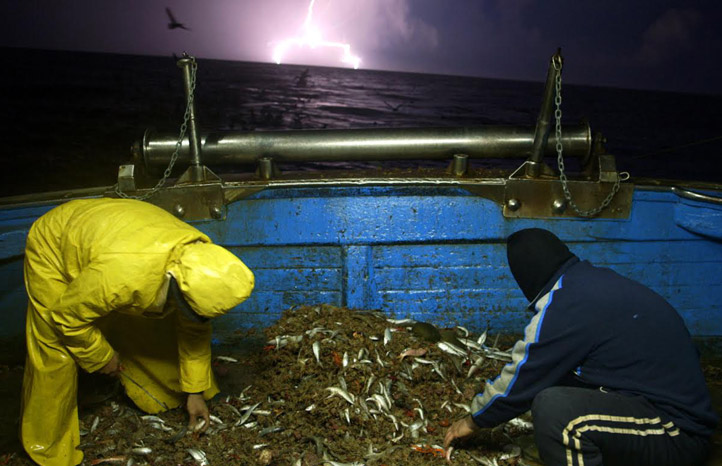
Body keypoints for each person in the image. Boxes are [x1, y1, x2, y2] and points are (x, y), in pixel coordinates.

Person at [443, 228, 717, 465]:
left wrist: (474, 420)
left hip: (677, 434)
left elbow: (524, 374)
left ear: (525, 276)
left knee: (555, 411)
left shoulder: (565, 304)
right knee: (556, 380)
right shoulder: (589, 282)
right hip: (666, 408)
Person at [20, 198, 255, 466]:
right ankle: (48, 451)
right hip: (56, 242)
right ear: (173, 282)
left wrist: (195, 392)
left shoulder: (203, 264)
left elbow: (194, 330)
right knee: (54, 349)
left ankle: (161, 395)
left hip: (115, 243)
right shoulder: (121, 275)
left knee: (150, 322)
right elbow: (66, 316)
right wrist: (100, 356)